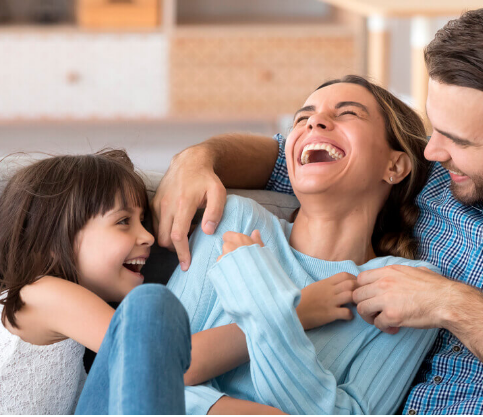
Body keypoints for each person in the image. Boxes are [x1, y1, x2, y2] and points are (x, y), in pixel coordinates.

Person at [152, 5, 483, 415]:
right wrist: (202, 157)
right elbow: (292, 158)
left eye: (455, 139)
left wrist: (454, 304)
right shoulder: (428, 178)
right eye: (432, 129)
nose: (431, 151)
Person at [163, 74, 440, 414]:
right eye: (302, 118)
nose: (315, 122)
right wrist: (293, 314)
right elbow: (148, 371)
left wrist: (261, 295)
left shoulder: (406, 287)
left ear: (394, 165)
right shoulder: (235, 222)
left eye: (348, 113)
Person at [0, 150, 190, 414]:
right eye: (123, 221)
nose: (149, 237)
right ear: (55, 241)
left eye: (143, 220)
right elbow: (163, 358)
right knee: (151, 306)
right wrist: (237, 326)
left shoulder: (62, 325)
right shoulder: (44, 294)